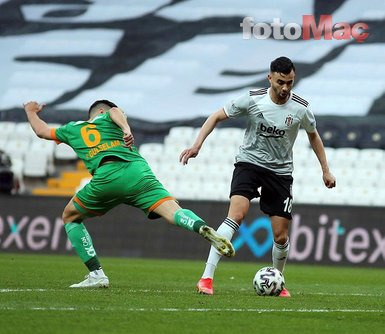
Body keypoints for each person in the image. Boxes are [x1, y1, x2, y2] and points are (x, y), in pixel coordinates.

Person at [23, 99, 235, 288]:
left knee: (70, 217)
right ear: (102, 112)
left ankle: (96, 274)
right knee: (173, 212)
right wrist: (125, 128)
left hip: (106, 177)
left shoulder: (73, 129)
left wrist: (31, 112)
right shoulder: (110, 116)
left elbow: (42, 132)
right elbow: (115, 110)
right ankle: (201, 227)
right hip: (138, 172)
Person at [180, 56, 336, 297]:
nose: (285, 88)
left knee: (281, 235)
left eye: (290, 83)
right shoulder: (252, 99)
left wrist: (325, 170)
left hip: (281, 172)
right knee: (236, 215)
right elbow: (216, 116)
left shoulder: (301, 107)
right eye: (281, 82)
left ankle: (278, 281)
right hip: (249, 164)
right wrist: (197, 145)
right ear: (270, 78)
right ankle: (207, 278)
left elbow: (313, 136)